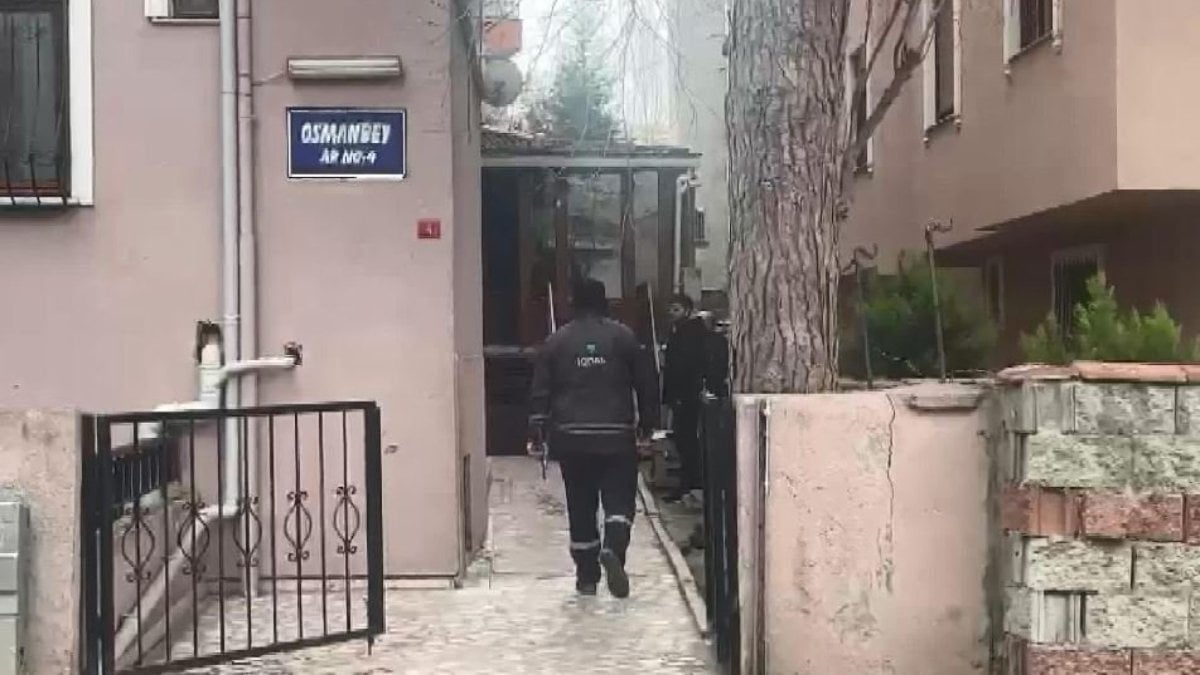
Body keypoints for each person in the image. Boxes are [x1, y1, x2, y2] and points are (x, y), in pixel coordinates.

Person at [528, 278, 659, 598]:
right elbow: (646, 383)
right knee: (619, 499)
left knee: (580, 503)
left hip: (571, 437)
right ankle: (613, 547)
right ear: (604, 302)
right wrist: (648, 425)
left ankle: (587, 576)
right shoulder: (623, 337)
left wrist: (538, 430)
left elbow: (541, 390)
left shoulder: (556, 342)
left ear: (573, 302)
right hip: (616, 435)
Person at [663, 293, 711, 502]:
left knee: (687, 439)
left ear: (687, 310)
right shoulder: (681, 331)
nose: (672, 314)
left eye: (676, 309)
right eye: (671, 310)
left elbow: (683, 366)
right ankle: (689, 482)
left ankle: (690, 482)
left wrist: (677, 394)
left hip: (687, 394)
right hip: (683, 393)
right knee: (683, 439)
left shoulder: (689, 334)